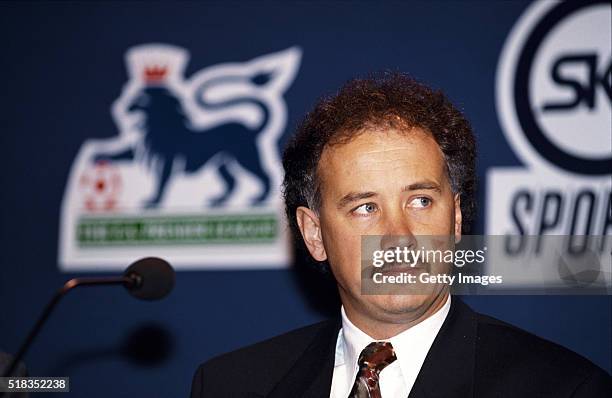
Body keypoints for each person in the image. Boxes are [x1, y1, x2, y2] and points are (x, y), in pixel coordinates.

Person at [190, 73, 611, 397]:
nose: (399, 237)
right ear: (314, 234)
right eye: (366, 208)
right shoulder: (230, 384)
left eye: (421, 201)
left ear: (457, 217)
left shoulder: (564, 388)